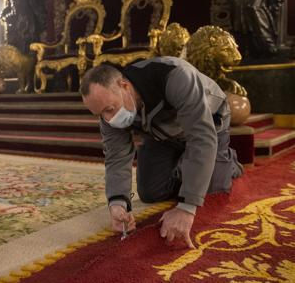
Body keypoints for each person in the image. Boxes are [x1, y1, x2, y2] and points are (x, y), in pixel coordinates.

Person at [80, 57, 243, 248]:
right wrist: (117, 202)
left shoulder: (175, 76)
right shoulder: (108, 113)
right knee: (151, 192)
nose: (108, 119)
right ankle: (187, 163)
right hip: (162, 134)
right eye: (100, 114)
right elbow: (116, 156)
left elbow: (201, 137)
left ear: (124, 85)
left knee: (213, 190)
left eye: (109, 109)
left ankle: (227, 160)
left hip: (208, 125)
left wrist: (186, 206)